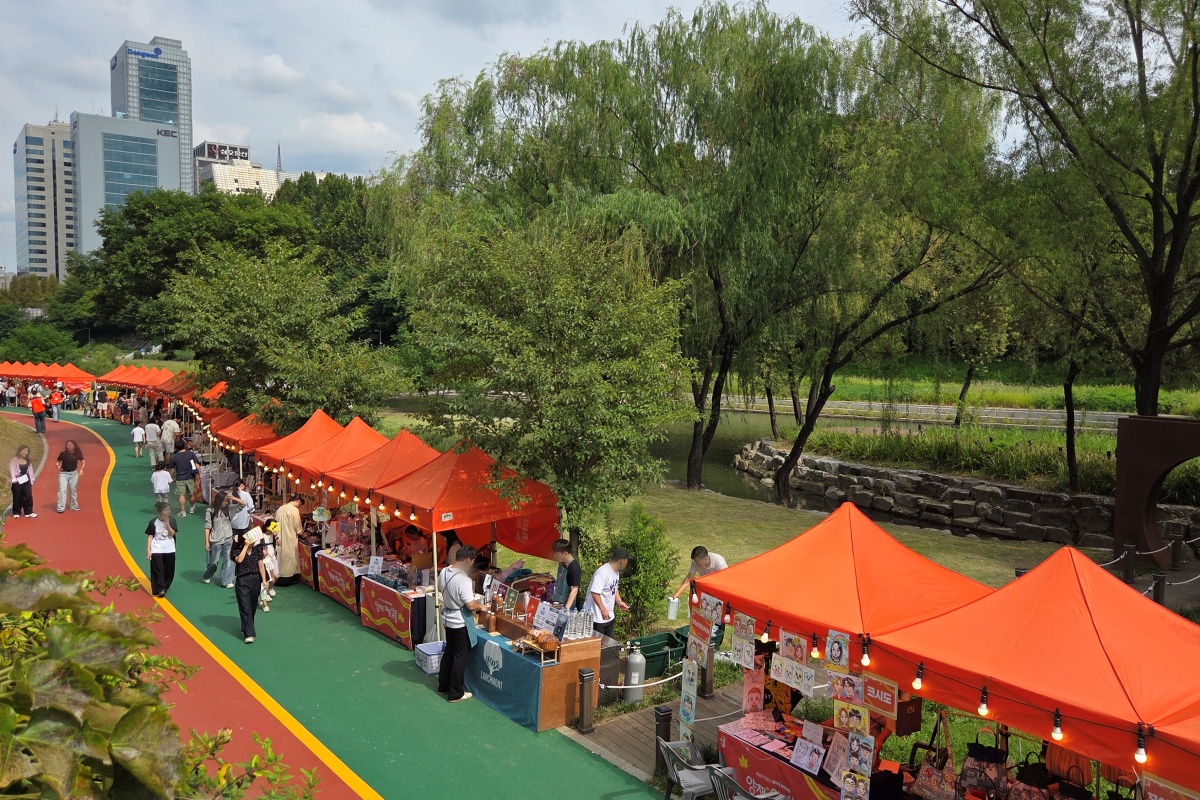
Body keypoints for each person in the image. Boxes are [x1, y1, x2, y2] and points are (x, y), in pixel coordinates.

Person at [436, 544, 484, 703]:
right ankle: (456, 692)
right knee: (459, 657)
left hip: (448, 619)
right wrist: (481, 606)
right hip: (460, 622)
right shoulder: (464, 580)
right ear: (469, 559)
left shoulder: (444, 571)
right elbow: (470, 605)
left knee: (449, 653)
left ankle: (443, 685)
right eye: (473, 560)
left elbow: (440, 588)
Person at [672, 545, 731, 646]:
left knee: (718, 617)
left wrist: (716, 595)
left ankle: (717, 643)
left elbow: (725, 580)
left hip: (720, 589)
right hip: (706, 590)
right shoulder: (695, 562)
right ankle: (703, 640)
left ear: (705, 558)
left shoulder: (719, 562)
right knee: (704, 614)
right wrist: (677, 594)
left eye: (698, 562)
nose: (696, 564)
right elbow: (689, 577)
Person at [583, 547, 630, 638]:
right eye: (626, 560)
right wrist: (603, 609)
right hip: (596, 617)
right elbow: (595, 593)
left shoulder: (616, 572)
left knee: (609, 643)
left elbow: (614, 587)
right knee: (598, 644)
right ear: (621, 560)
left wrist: (619, 602)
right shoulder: (602, 572)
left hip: (608, 616)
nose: (627, 562)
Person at [233, 528, 268, 643]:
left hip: (255, 579)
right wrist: (245, 546)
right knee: (245, 606)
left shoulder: (257, 550)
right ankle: (249, 634)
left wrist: (264, 580)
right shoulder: (237, 550)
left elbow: (261, 565)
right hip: (242, 580)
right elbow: (239, 560)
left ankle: (246, 625)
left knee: (252, 606)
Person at [145, 501, 178, 598]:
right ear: (160, 512)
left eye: (169, 510)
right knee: (158, 568)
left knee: (169, 569)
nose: (168, 512)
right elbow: (150, 536)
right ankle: (160, 589)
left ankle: (165, 585)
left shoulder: (172, 520)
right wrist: (148, 550)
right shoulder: (153, 522)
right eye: (166, 510)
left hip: (169, 548)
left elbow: (172, 533)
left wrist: (167, 523)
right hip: (157, 548)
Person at [203, 490, 235, 587]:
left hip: (228, 539)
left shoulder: (228, 509)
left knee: (228, 560)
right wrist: (207, 541)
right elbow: (207, 527)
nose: (226, 502)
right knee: (214, 562)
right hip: (216, 540)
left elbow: (243, 504)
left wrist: (232, 498)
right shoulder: (210, 511)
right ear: (219, 500)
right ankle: (207, 575)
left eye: (227, 500)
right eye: (224, 500)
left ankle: (227, 581)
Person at [274, 496, 303, 586]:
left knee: (280, 557)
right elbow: (297, 526)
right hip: (289, 537)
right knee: (289, 558)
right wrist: (301, 532)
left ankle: (278, 577)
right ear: (298, 501)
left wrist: (275, 535)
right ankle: (288, 579)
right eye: (300, 504)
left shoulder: (280, 508)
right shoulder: (294, 510)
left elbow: (274, 523)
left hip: (279, 536)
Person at [169, 441, 200, 517]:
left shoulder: (175, 457)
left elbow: (172, 470)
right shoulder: (191, 454)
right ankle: (192, 507)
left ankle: (183, 511)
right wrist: (198, 475)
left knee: (181, 495)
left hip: (180, 478)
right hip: (190, 477)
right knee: (191, 494)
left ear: (176, 448)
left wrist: (170, 477)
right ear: (184, 446)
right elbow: (197, 465)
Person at [551, 539, 582, 609]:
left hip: (567, 604)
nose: (554, 556)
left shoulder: (574, 568)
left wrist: (566, 609)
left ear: (565, 553)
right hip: (558, 601)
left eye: (557, 554)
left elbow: (574, 590)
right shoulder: (562, 563)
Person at [56, 440, 84, 513]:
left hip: (74, 474)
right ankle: (60, 507)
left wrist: (82, 469)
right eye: (67, 445)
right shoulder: (63, 454)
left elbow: (83, 461)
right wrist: (58, 466)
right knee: (62, 490)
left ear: (74, 445)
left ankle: (73, 506)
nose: (69, 446)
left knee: (73, 490)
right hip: (63, 474)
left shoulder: (77, 453)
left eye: (71, 445)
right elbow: (58, 461)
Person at [9, 444, 37, 518]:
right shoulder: (14, 460)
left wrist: (31, 479)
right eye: (25, 451)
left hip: (26, 479)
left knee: (28, 495)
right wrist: (14, 478)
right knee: (17, 496)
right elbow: (12, 469)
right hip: (17, 479)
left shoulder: (28, 460)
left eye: (27, 451)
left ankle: (28, 512)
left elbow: (30, 470)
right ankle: (16, 512)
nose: (26, 452)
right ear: (20, 451)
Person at [228, 478, 254, 545]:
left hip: (233, 522)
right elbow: (251, 507)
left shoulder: (231, 495)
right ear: (242, 485)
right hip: (244, 522)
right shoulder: (246, 494)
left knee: (234, 541)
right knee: (245, 540)